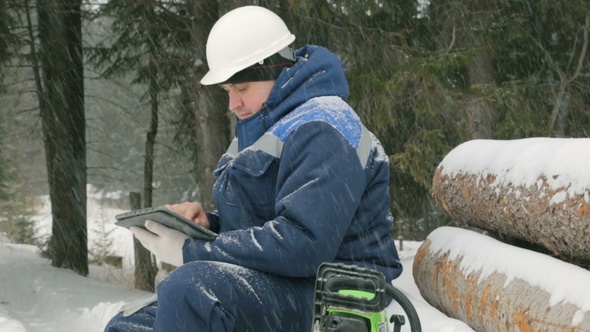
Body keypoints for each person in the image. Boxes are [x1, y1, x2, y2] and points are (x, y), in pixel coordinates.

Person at [104, 5, 402, 332]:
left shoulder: (323, 127)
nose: (234, 105)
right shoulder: (269, 125)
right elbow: (264, 227)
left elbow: (304, 245)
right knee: (131, 325)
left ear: (275, 68)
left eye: (242, 88)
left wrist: (191, 250)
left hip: (338, 296)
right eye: (228, 91)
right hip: (284, 283)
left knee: (190, 292)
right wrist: (209, 227)